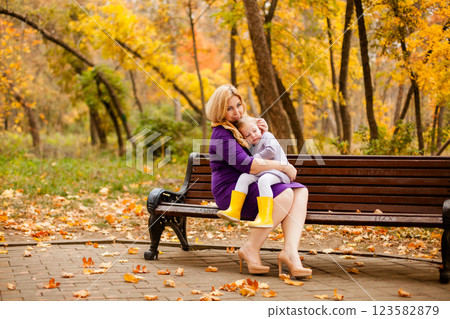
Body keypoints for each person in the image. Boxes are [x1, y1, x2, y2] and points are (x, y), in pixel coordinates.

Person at [206, 84, 312, 277]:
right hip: (233, 191)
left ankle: (290, 252)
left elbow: (254, 148)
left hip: (249, 183)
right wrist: (283, 166)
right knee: (286, 194)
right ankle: (251, 248)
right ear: (219, 110)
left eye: (238, 105)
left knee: (300, 191)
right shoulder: (221, 134)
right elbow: (249, 165)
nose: (236, 111)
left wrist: (262, 134)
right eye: (229, 108)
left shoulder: (234, 128)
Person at [217, 115, 291, 229]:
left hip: (279, 172)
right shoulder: (251, 145)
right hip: (265, 171)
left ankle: (265, 217)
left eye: (255, 131)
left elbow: (271, 151)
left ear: (259, 128)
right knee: (244, 177)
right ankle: (234, 210)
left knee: (263, 181)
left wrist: (255, 158)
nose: (253, 135)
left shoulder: (267, 136)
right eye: (248, 135)